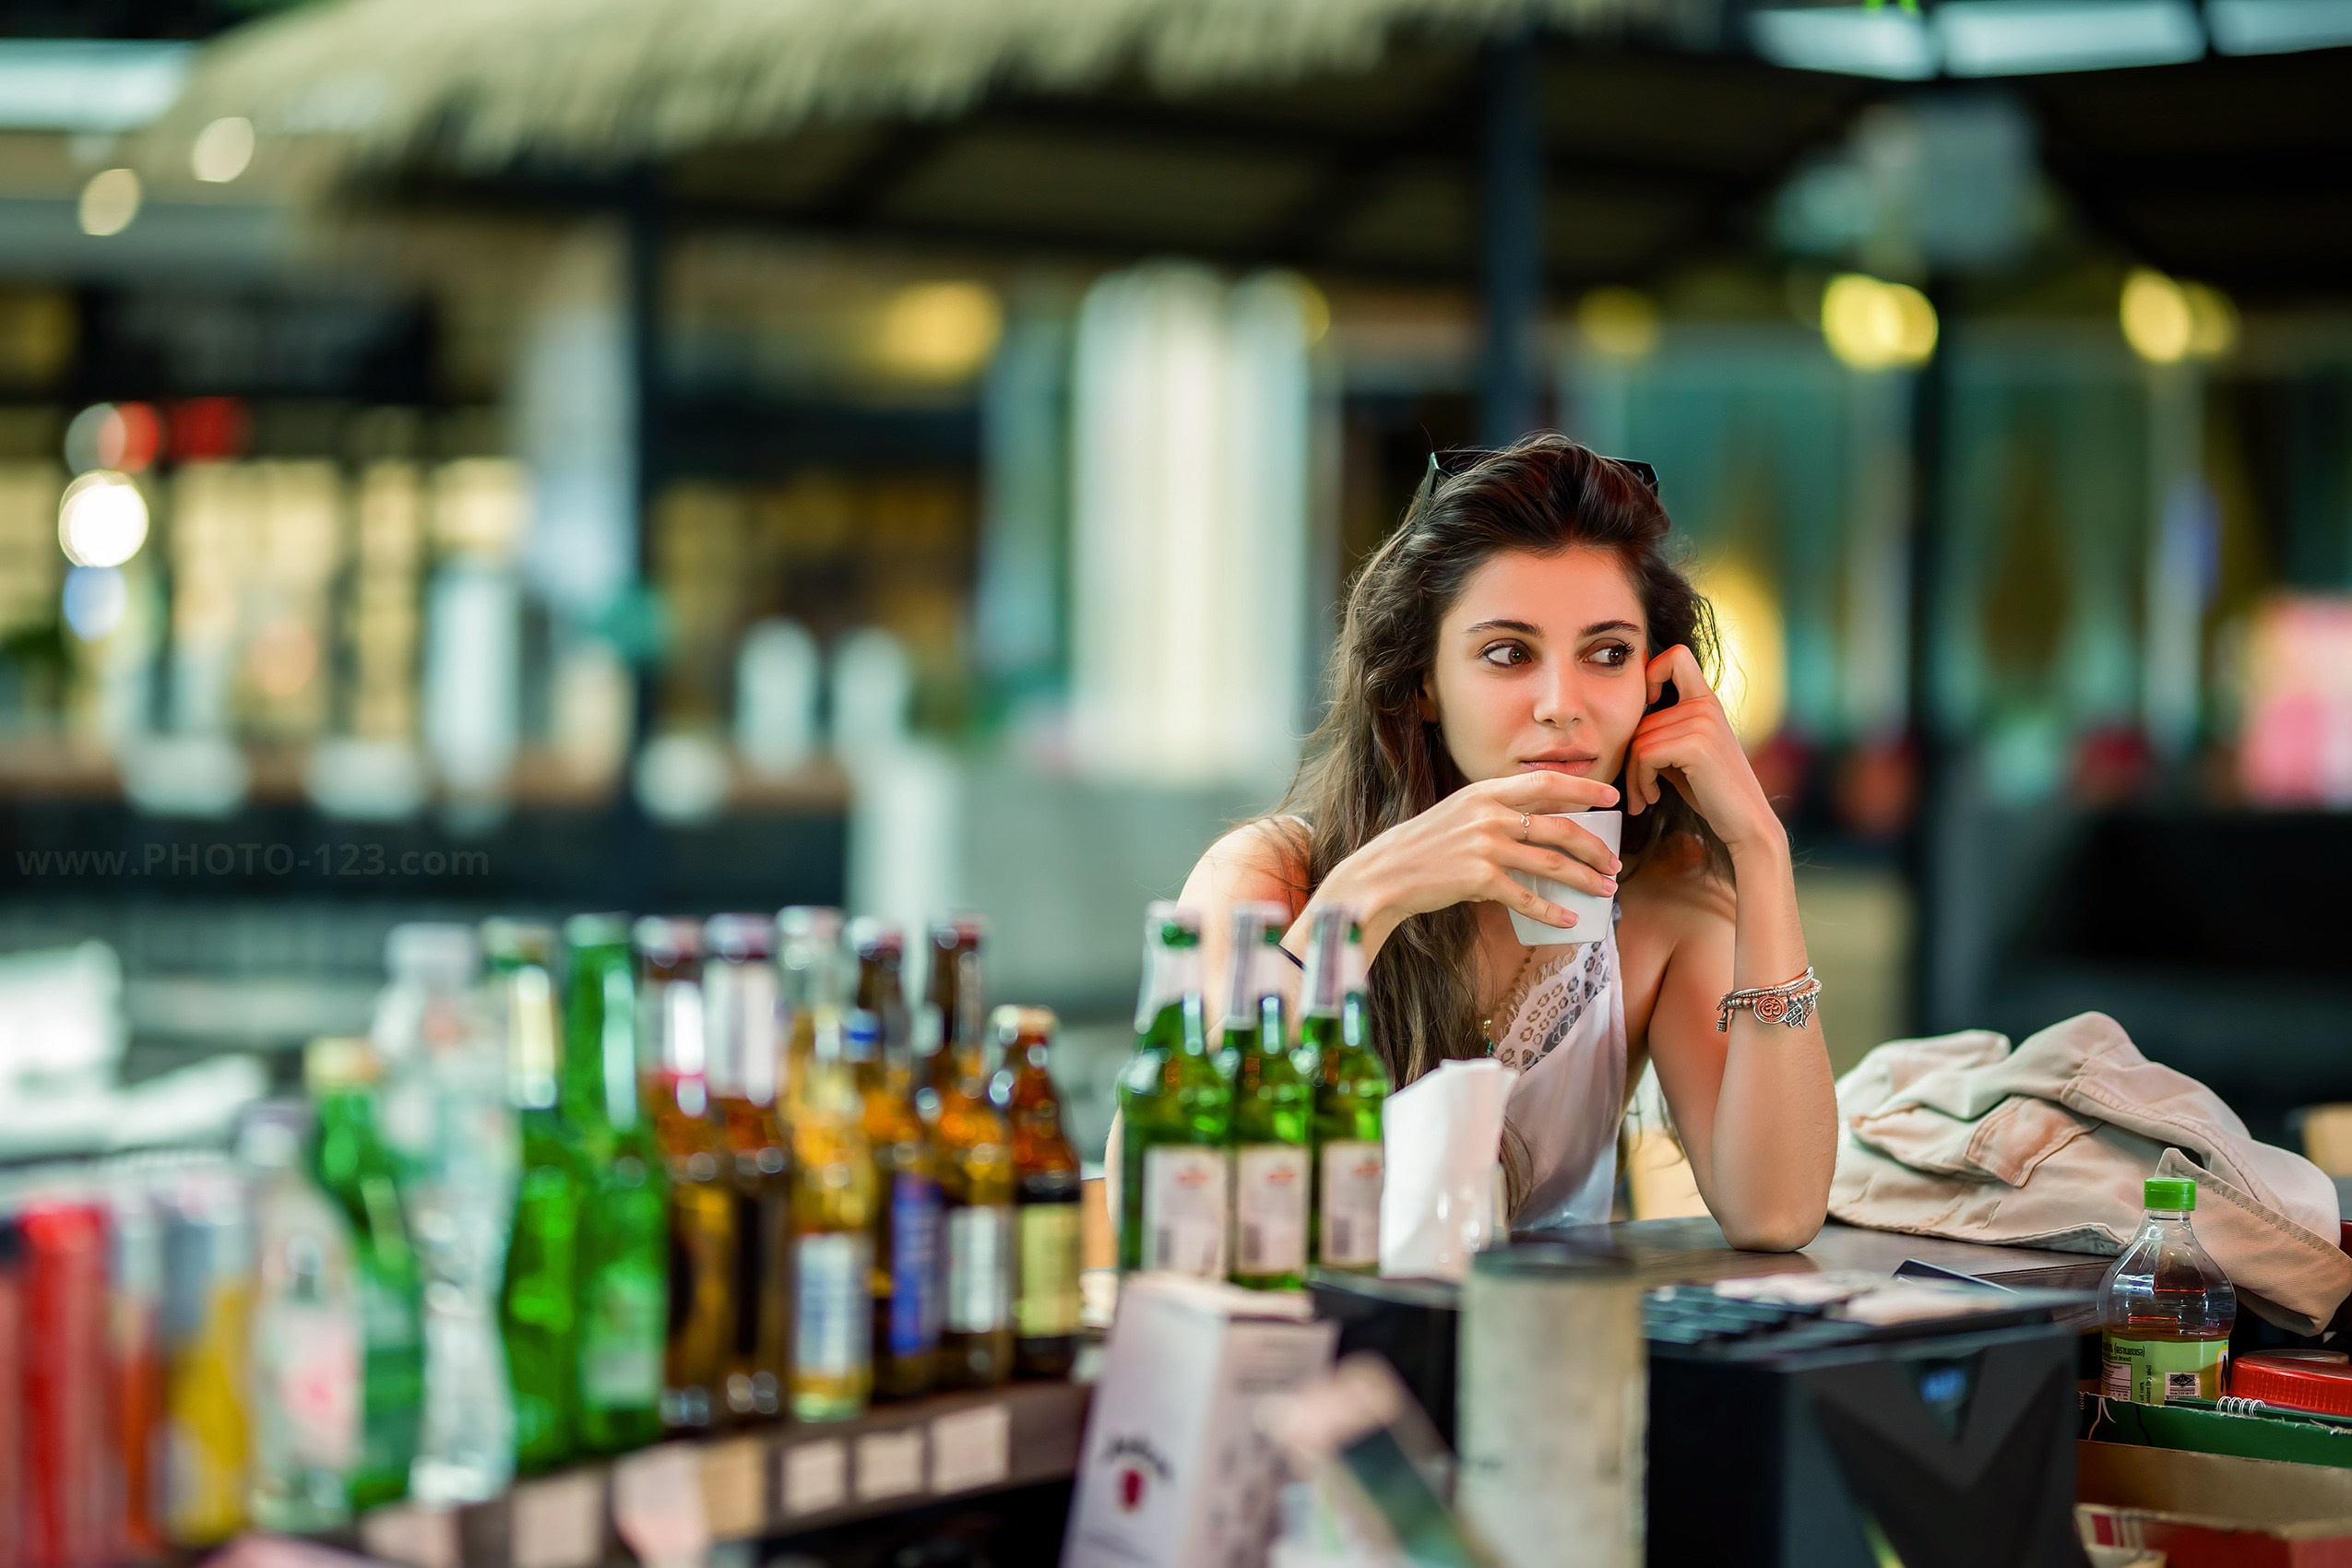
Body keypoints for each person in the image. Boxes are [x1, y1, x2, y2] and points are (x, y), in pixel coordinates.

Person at [1181, 434, 1835, 1250]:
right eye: (1506, 653)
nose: (1562, 703)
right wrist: (1361, 903)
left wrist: (1761, 851)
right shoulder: (1271, 879)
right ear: (1422, 682)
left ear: (1655, 680)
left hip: (1547, 1360)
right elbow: (1187, 1205)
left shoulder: (1662, 900)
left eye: (1607, 654)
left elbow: (1775, 1213)